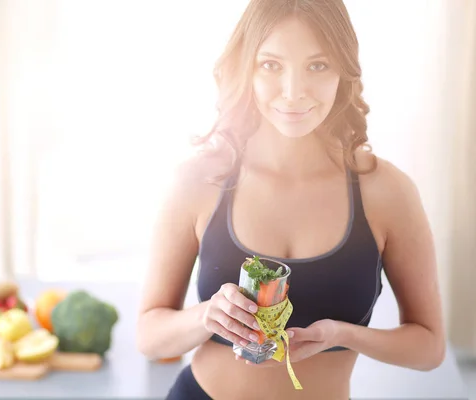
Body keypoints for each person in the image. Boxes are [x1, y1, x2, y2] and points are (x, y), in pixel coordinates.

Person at [135, 0, 446, 399]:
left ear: (343, 71)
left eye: (317, 65)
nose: (293, 92)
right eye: (271, 65)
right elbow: (149, 337)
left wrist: (343, 334)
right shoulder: (201, 180)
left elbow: (428, 347)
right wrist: (207, 316)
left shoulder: (386, 192)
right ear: (246, 67)